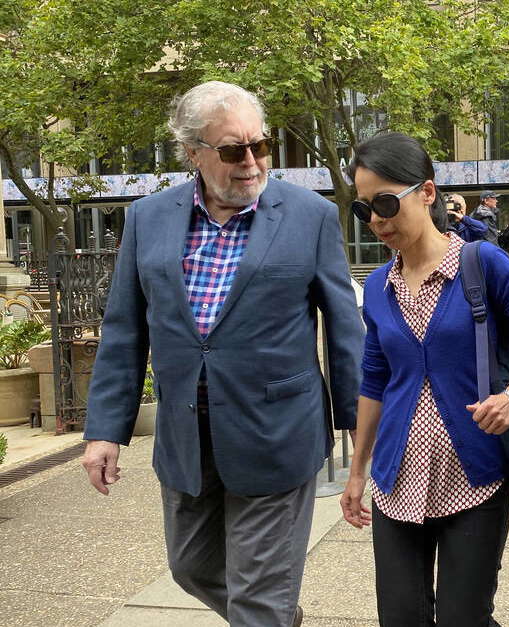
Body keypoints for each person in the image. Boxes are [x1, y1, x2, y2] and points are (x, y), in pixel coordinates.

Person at [80, 81, 363, 627]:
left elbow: (344, 327)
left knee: (257, 600)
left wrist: (358, 425)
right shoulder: (147, 218)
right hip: (188, 435)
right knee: (190, 566)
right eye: (234, 150)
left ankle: (268, 612)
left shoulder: (310, 216)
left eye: (261, 145)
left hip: (277, 431)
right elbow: (123, 331)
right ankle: (279, 613)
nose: (252, 162)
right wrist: (104, 430)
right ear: (193, 153)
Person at [339, 132, 509, 626]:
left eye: (385, 202)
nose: (376, 219)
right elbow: (374, 378)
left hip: (475, 475)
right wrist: (357, 472)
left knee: (464, 618)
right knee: (400, 617)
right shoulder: (377, 287)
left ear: (427, 192)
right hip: (397, 479)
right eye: (363, 209)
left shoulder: (481, 265)